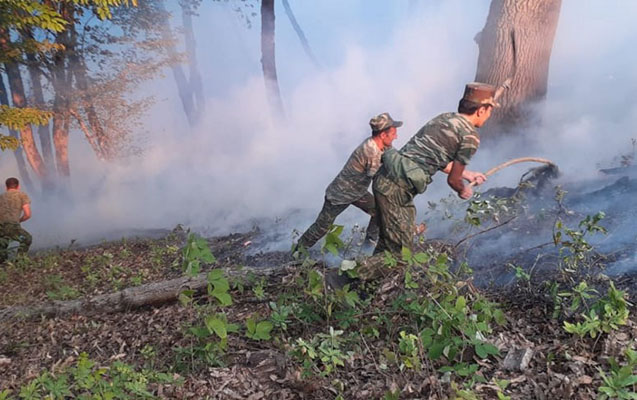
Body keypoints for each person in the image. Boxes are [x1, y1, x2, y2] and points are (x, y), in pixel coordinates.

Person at [372, 83, 496, 256]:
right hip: (397, 189)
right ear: (481, 110)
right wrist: (463, 189)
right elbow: (453, 181)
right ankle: (342, 278)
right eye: (490, 110)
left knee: (388, 245)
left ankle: (363, 281)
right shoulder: (470, 137)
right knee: (401, 255)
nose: (489, 115)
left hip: (384, 178)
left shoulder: (445, 118)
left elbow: (434, 157)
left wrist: (467, 174)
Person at [294, 112, 403, 253]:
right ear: (383, 135)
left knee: (379, 211)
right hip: (340, 194)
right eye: (393, 133)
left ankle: (368, 246)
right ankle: (297, 252)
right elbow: (380, 178)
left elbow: (396, 157)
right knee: (322, 227)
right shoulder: (371, 151)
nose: (396, 136)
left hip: (358, 192)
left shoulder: (380, 144)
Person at [0, 177, 32, 262]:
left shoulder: (1, 196)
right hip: (12, 226)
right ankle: (19, 261)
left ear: (6, 187)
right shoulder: (22, 195)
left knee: (3, 245)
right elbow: (27, 215)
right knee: (26, 239)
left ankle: (3, 264)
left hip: (1, 227)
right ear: (18, 186)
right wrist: (19, 221)